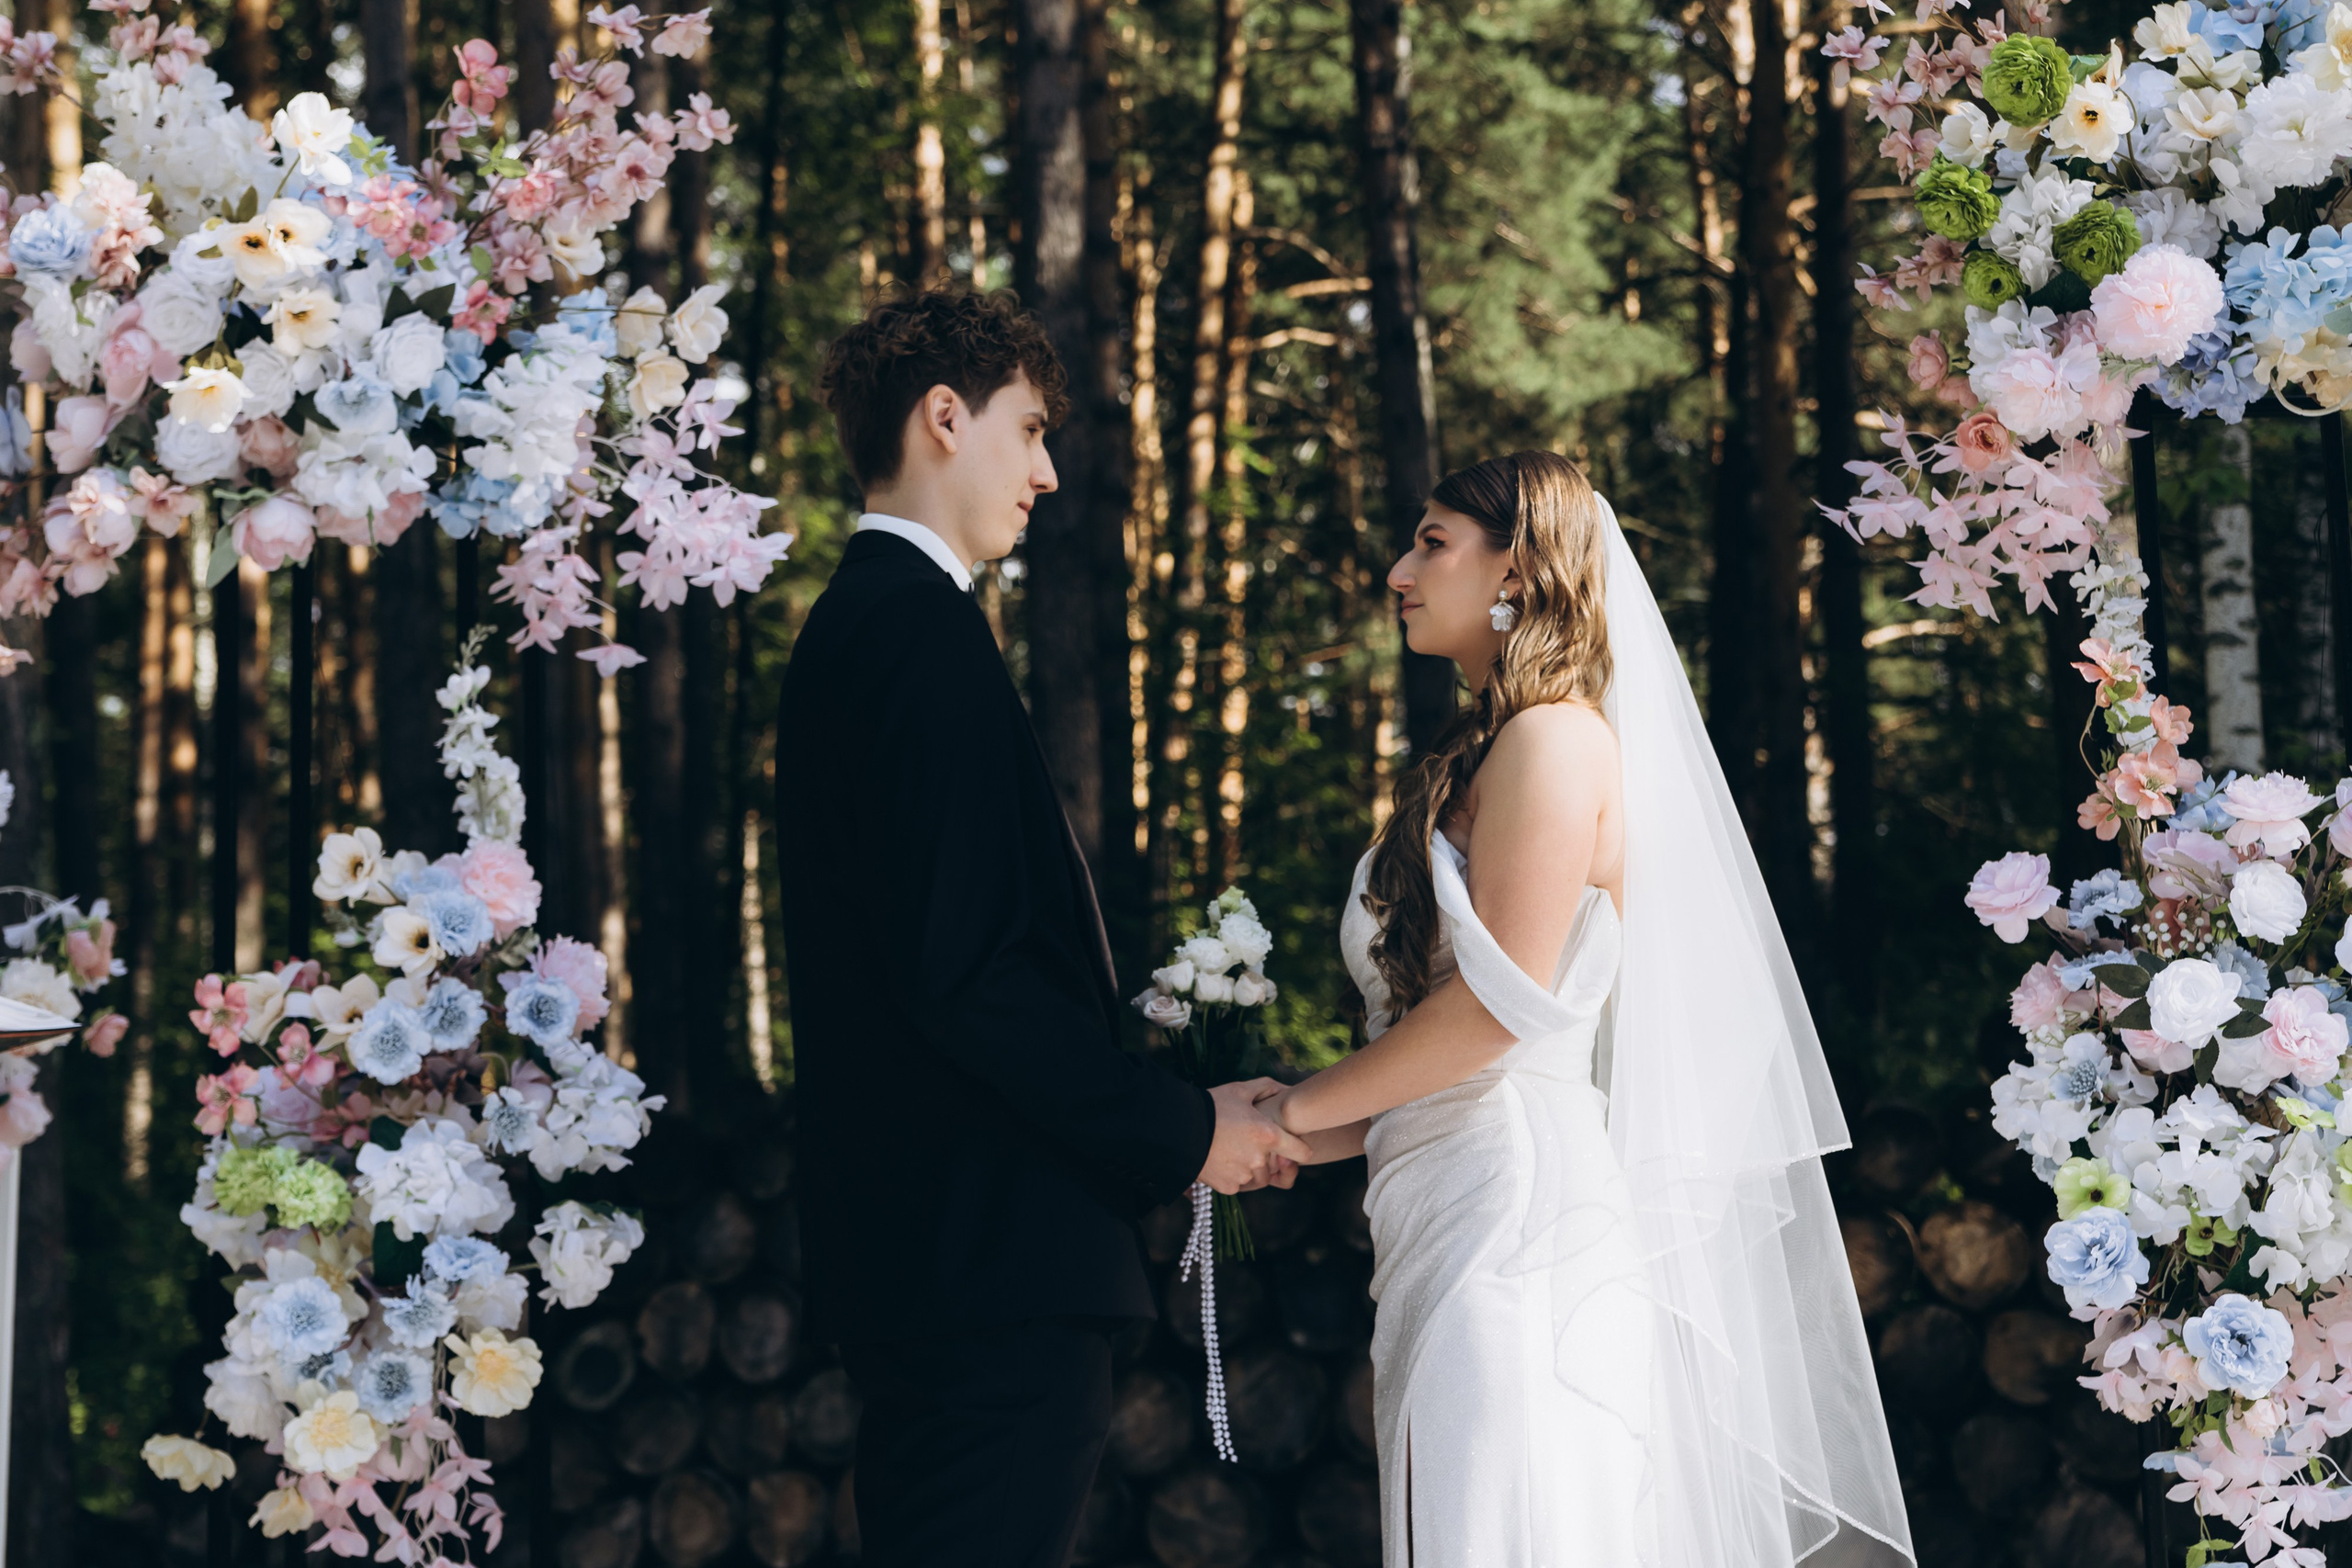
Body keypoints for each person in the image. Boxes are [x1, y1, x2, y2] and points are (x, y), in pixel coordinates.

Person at [1258, 453, 1916, 1568]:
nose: (1395, 572)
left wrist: (1285, 1114)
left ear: (1515, 565)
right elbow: (1429, 1058)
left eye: (1430, 543)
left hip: (1520, 1236)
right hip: (1435, 1223)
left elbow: (1499, 1016)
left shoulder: (1554, 740)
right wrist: (1274, 1133)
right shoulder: (1476, 751)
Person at [775, 288, 1309, 1568]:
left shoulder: (881, 626)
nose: (1050, 471)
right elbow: (969, 976)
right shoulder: (913, 635)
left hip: (943, 1260)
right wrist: (1184, 1129)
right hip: (983, 1272)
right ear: (944, 419)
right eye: (1028, 430)